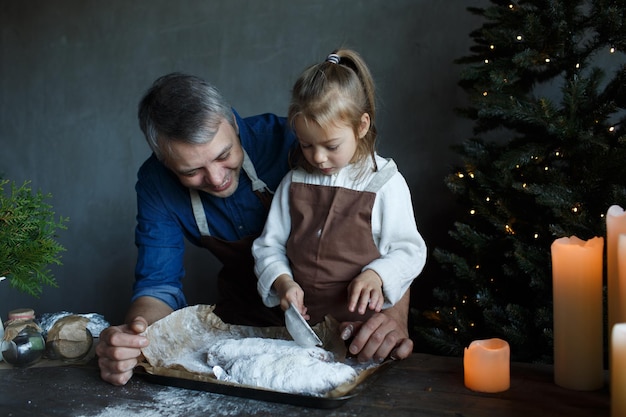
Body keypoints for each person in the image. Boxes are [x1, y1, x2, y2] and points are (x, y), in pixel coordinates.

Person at [96, 72, 416, 387]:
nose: (217, 178)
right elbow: (158, 286)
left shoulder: (302, 145)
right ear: (164, 161)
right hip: (245, 323)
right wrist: (136, 337)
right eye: (192, 171)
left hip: (341, 318)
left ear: (234, 123)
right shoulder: (156, 184)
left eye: (224, 155)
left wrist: (392, 315)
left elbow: (388, 231)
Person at [253, 49, 427, 327]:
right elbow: (268, 246)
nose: (318, 157)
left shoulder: (384, 183)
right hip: (303, 329)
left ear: (361, 126)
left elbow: (409, 250)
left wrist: (377, 275)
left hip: (360, 329)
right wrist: (282, 281)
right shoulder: (294, 182)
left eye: (331, 146)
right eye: (306, 145)